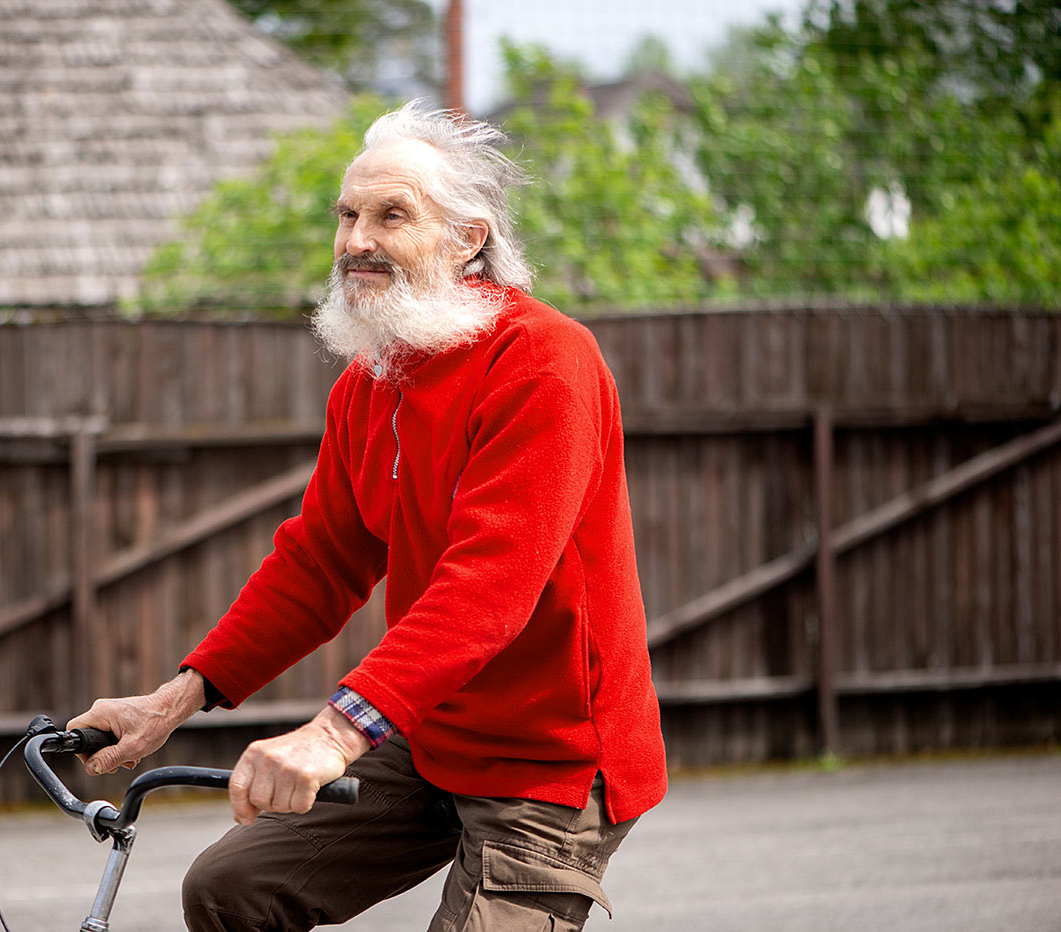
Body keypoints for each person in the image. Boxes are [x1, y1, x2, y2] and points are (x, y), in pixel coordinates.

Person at [69, 100, 666, 931]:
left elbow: (487, 590)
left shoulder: (544, 361)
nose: (356, 240)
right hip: (431, 740)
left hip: (552, 762)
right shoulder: (371, 380)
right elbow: (320, 562)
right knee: (229, 888)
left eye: (392, 215)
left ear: (468, 238)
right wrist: (171, 702)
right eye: (348, 215)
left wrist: (335, 733)